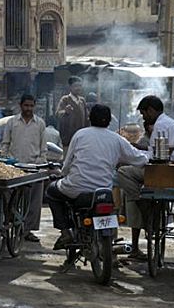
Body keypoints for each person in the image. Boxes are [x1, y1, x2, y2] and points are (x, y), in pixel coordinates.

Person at [46, 105, 148, 250]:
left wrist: (61, 173)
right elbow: (140, 159)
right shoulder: (117, 139)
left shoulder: (80, 134)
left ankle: (65, 232)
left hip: (76, 188)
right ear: (109, 121)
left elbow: (67, 164)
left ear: (89, 118)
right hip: (103, 191)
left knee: (51, 192)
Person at [118, 95, 174, 259]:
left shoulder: (161, 125)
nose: (143, 117)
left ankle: (140, 200)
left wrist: (132, 155)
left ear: (151, 110)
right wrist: (137, 149)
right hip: (170, 167)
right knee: (130, 171)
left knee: (123, 172)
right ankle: (140, 201)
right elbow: (152, 150)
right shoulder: (169, 122)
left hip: (162, 171)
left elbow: (154, 156)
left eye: (143, 113)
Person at [1, 94, 47, 242]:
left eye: (31, 106)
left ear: (34, 106)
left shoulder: (40, 124)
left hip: (33, 167)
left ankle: (27, 230)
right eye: (26, 105)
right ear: (21, 105)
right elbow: (5, 144)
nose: (29, 108)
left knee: (33, 201)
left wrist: (40, 163)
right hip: (14, 167)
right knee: (11, 198)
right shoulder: (12, 122)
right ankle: (9, 225)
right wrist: (6, 159)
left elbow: (43, 148)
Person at [55, 76, 89, 158]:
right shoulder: (65, 100)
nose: (78, 88)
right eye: (75, 86)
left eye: (80, 86)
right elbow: (57, 114)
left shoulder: (82, 101)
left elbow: (87, 117)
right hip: (68, 138)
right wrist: (65, 111)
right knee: (67, 160)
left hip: (81, 138)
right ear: (70, 87)